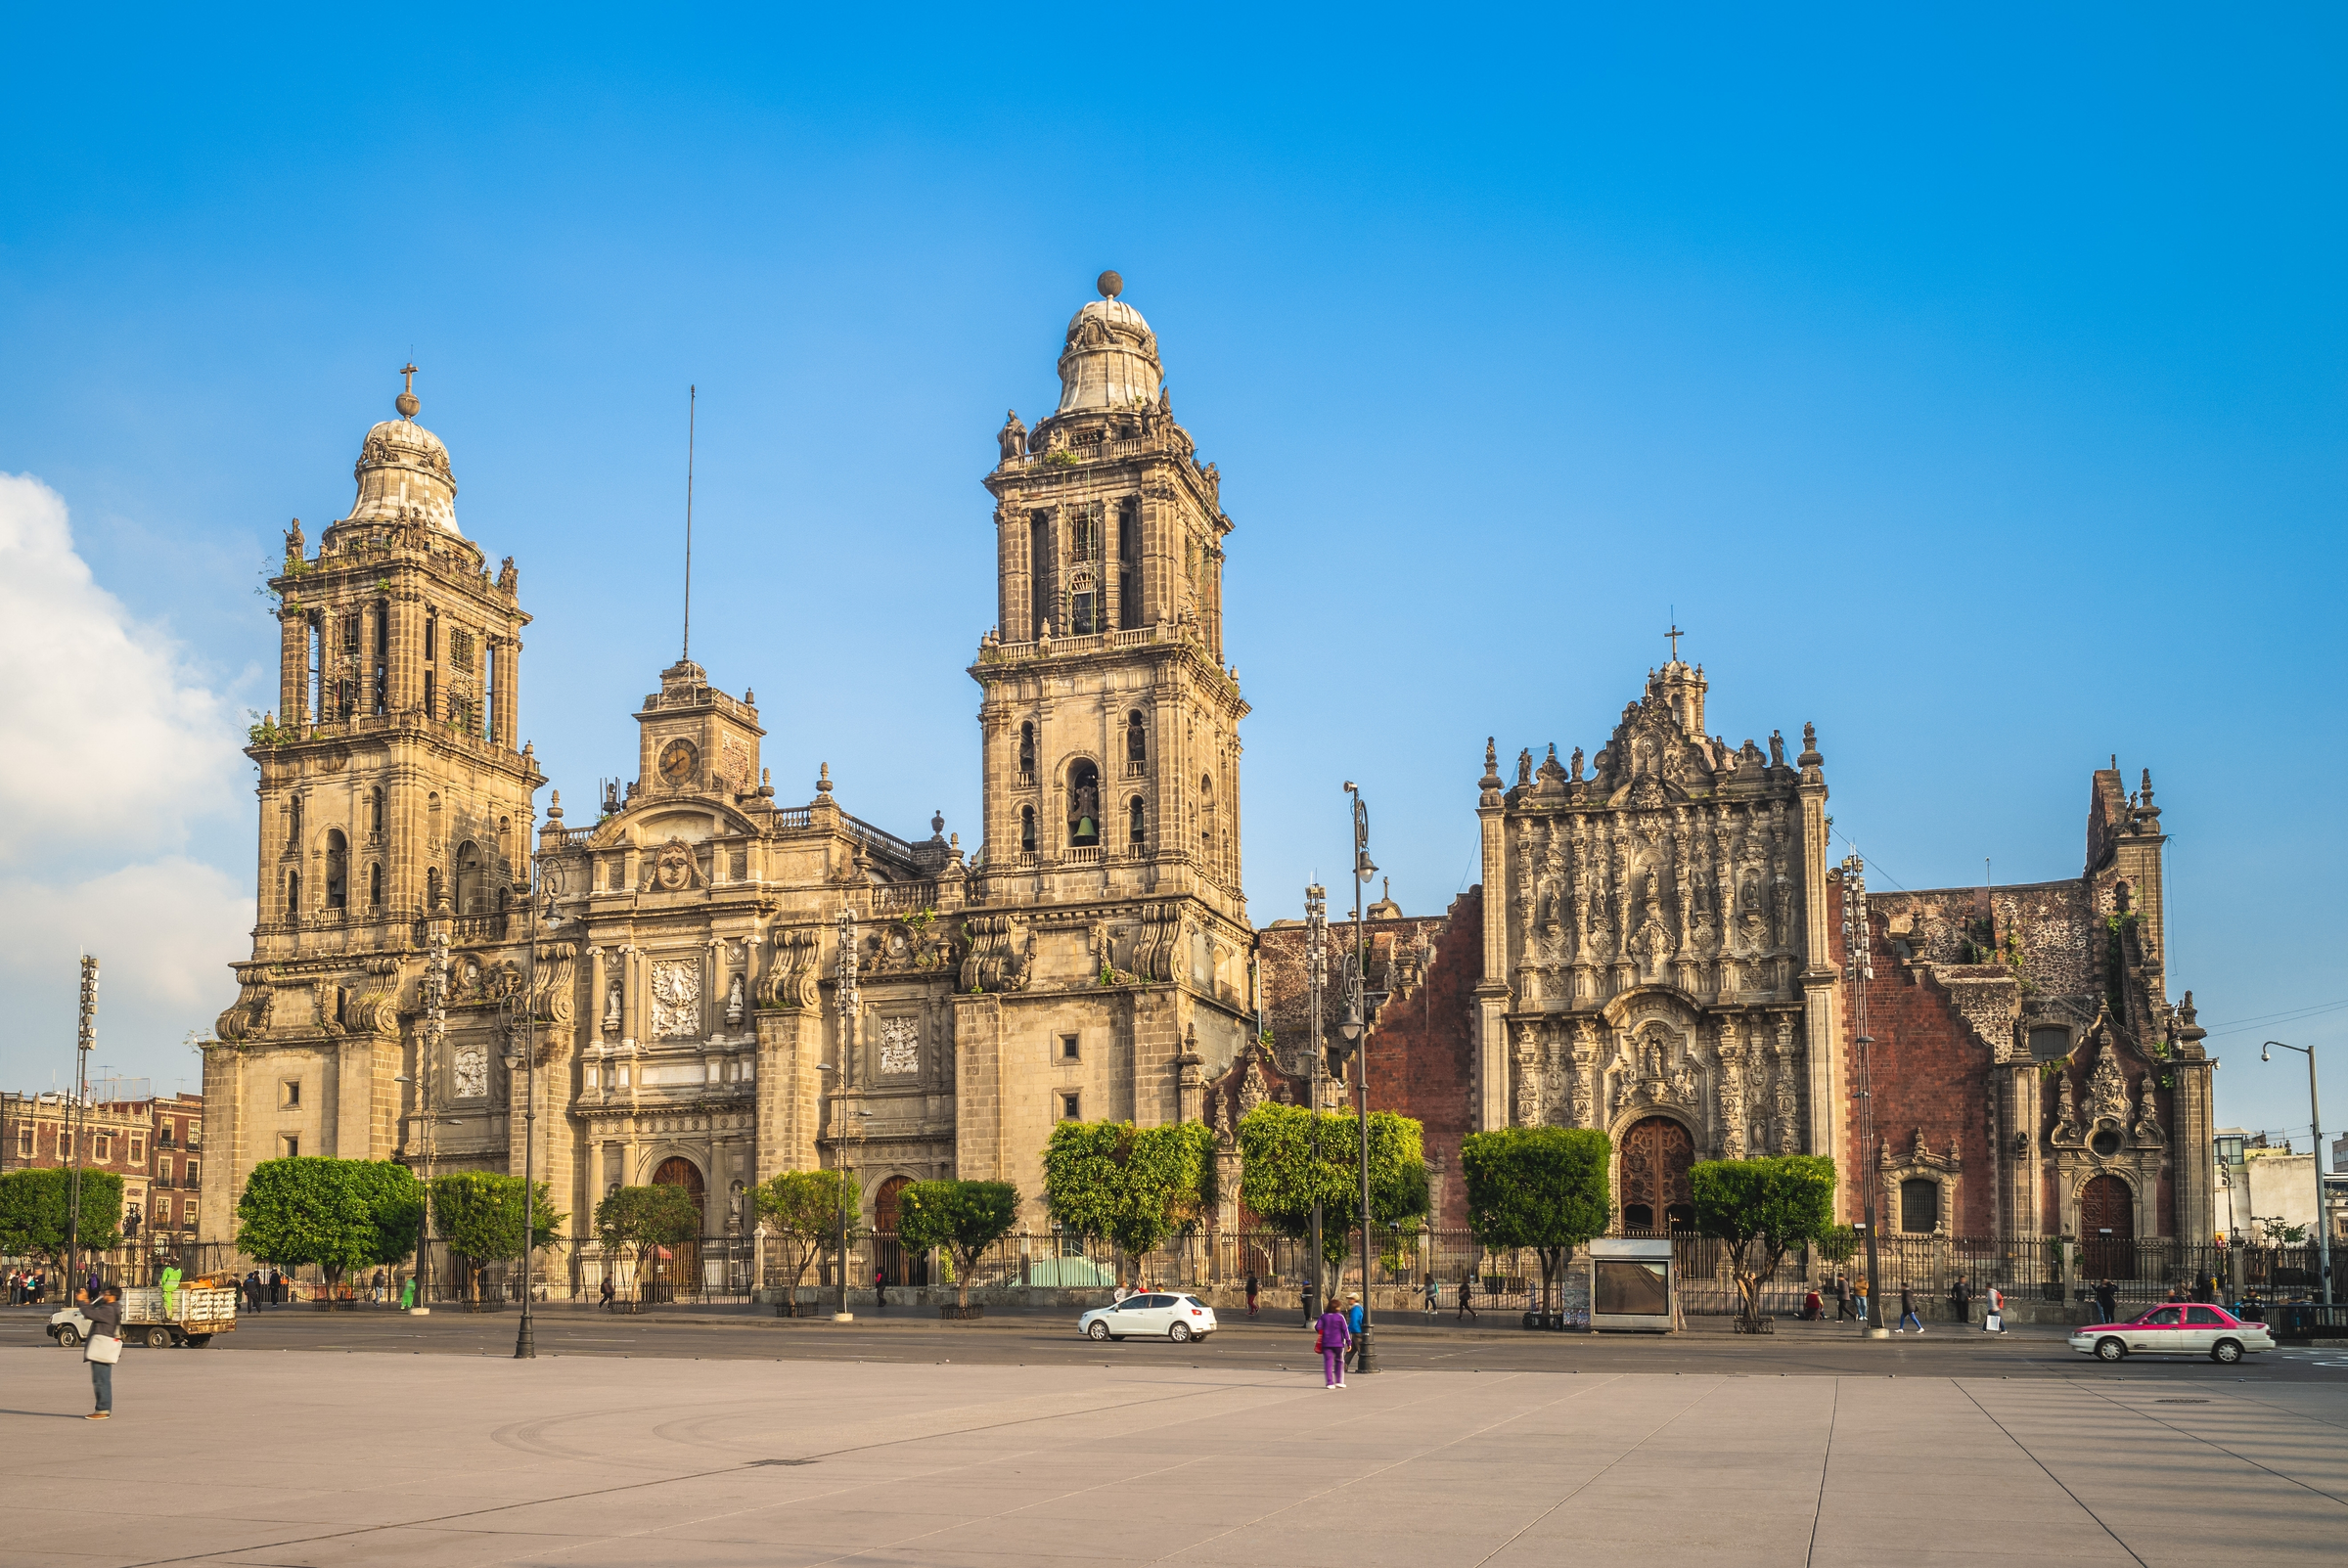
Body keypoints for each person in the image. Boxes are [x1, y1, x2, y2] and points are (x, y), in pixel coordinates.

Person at [82, 1282, 123, 1420]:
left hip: (101, 1348)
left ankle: (102, 1409)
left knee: (101, 1380)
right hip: (104, 1347)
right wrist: (91, 1300)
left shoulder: (109, 1309)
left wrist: (82, 1301)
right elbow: (93, 1310)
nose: (103, 1295)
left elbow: (89, 1313)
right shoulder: (111, 1307)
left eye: (105, 1294)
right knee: (102, 1379)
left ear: (112, 1297)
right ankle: (103, 1408)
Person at [1315, 1296, 1352, 1390]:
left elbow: (1317, 1327)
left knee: (1328, 1363)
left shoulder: (1323, 1316)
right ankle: (1339, 1381)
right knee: (1339, 1361)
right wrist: (1349, 1342)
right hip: (1338, 1343)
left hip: (1326, 1343)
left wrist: (1325, 1331)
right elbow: (1345, 1330)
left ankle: (1329, 1382)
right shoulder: (1340, 1317)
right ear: (1336, 1308)